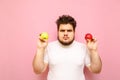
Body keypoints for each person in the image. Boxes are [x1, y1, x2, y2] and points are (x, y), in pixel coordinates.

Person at [32, 15, 102, 80]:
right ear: (58, 32)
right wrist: (40, 49)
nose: (65, 33)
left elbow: (96, 70)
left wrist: (94, 51)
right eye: (62, 31)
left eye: (69, 31)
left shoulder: (83, 48)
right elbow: (38, 70)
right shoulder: (48, 47)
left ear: (74, 32)